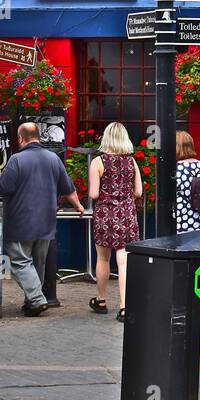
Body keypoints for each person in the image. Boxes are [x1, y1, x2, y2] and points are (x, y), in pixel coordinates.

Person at [0, 122, 84, 317]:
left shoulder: (16, 160)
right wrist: (78, 206)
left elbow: (4, 188)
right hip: (46, 222)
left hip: (20, 221)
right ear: (38, 136)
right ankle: (32, 303)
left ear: (21, 138)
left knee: (20, 261)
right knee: (39, 263)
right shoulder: (53, 159)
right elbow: (68, 188)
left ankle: (37, 299)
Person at [88, 122, 142, 322]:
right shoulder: (132, 162)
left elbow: (93, 193)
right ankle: (124, 307)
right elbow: (138, 192)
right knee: (124, 261)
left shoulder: (98, 162)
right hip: (127, 215)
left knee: (103, 258)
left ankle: (101, 300)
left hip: (105, 215)